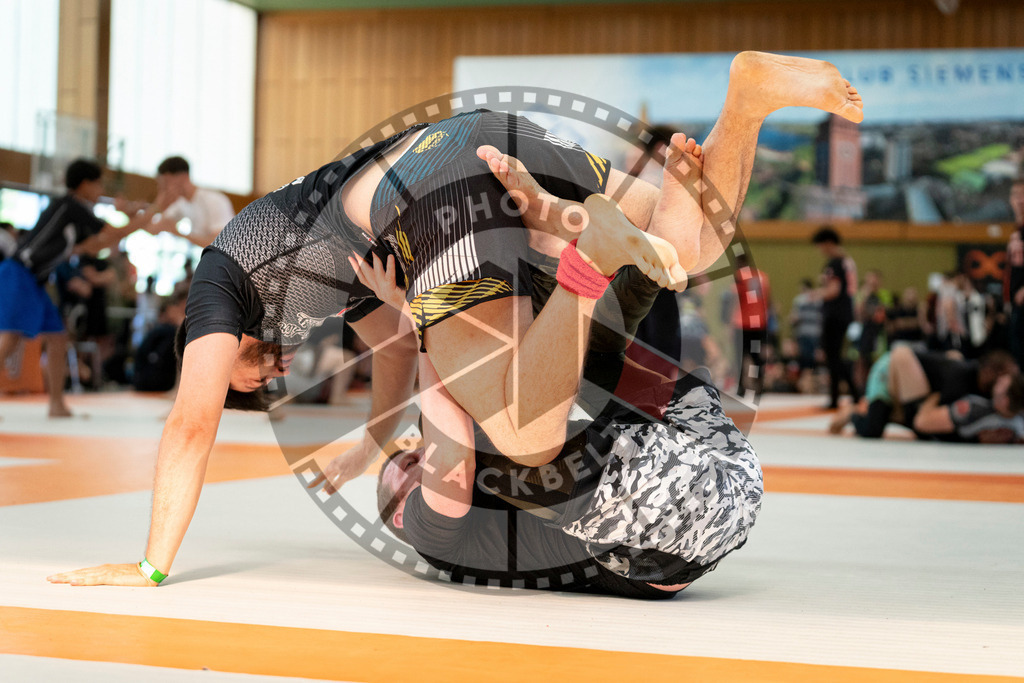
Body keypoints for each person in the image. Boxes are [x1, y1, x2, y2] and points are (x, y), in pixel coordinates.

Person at [48, 51, 863, 587]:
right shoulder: (316, 276)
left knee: (520, 427)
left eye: (247, 382)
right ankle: (747, 100)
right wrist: (371, 438)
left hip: (431, 188)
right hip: (492, 143)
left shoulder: (218, 287)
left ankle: (588, 261)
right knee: (684, 248)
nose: (263, 381)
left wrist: (153, 564)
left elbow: (190, 425)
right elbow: (395, 351)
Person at [373, 266, 760, 597]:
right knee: (475, 427)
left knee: (553, 386)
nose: (420, 453)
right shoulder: (428, 536)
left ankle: (634, 268)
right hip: (689, 511)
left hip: (718, 491)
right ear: (402, 515)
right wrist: (422, 317)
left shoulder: (518, 491)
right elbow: (454, 464)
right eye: (408, 462)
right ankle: (589, 269)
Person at [0, 159, 159, 416]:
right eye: (98, 184)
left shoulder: (73, 215)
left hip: (33, 280)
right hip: (19, 274)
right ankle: (55, 404)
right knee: (10, 338)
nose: (100, 190)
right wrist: (144, 217)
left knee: (58, 337)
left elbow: (94, 246)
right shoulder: (71, 205)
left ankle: (56, 404)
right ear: (85, 184)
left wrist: (133, 218)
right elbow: (110, 234)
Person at [830, 346, 1019, 440]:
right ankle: (852, 413)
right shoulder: (961, 381)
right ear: (991, 373)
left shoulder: (979, 386)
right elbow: (927, 424)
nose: (1005, 386)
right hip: (889, 369)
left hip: (914, 380)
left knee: (912, 417)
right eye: (1004, 379)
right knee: (874, 429)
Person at [812, 226, 860, 409]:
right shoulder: (848, 261)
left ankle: (836, 398)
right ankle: (853, 394)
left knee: (832, 357)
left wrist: (817, 294)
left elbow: (833, 290)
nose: (820, 251)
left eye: (821, 246)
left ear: (828, 243)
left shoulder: (834, 264)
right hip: (846, 312)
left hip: (835, 314)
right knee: (836, 356)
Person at [147, 156, 236, 248]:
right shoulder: (179, 203)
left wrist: (180, 234)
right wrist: (159, 206)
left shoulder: (214, 200)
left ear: (183, 177)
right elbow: (152, 230)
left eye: (166, 183)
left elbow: (220, 245)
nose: (162, 188)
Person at [1005, 179, 1024, 367]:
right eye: (1015, 195)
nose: (1019, 200)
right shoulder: (1016, 232)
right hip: (1015, 308)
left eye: (1023, 195)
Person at [790, 278, 822, 378]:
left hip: (807, 334)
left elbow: (795, 318)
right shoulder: (819, 300)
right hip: (813, 333)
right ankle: (808, 379)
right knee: (810, 360)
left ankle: (807, 379)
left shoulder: (800, 300)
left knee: (807, 360)